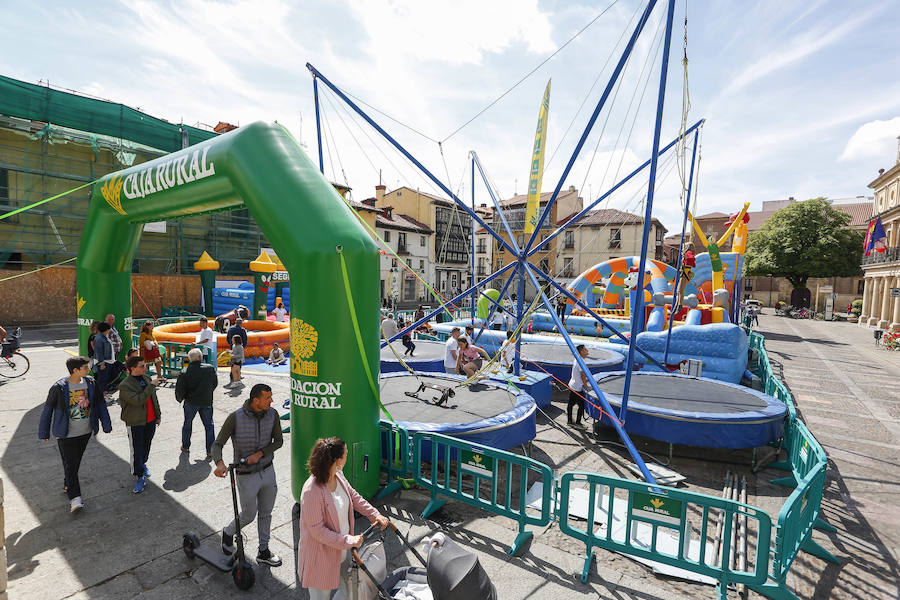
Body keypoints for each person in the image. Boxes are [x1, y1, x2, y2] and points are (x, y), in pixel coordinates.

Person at [298, 437, 390, 598]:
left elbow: (354, 497)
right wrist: (348, 541)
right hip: (321, 557)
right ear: (338, 460)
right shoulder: (311, 491)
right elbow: (317, 531)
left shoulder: (338, 475)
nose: (348, 456)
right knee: (321, 596)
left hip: (342, 551)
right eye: (346, 454)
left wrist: (375, 514)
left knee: (349, 591)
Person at [212, 383, 283, 567]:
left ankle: (263, 551)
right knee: (249, 515)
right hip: (245, 475)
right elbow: (217, 444)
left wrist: (260, 454)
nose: (272, 400)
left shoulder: (273, 414)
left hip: (268, 471)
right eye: (268, 397)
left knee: (266, 513)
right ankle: (228, 532)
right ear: (256, 400)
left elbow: (279, 441)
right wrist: (219, 463)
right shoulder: (235, 418)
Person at [39, 356, 112, 512]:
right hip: (66, 434)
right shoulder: (59, 387)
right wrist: (44, 432)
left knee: (73, 462)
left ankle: (67, 483)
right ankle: (75, 498)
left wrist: (106, 423)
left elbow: (100, 404)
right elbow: (47, 410)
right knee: (72, 465)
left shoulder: (91, 383)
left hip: (85, 432)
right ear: (75, 370)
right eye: (86, 368)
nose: (89, 370)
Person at [118, 355, 161, 493]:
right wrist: (151, 386)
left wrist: (158, 415)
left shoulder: (146, 378)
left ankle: (142, 465)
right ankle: (139, 475)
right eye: (142, 366)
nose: (145, 368)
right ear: (132, 369)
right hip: (135, 421)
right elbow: (138, 400)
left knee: (146, 445)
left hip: (150, 420)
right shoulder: (125, 385)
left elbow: (154, 399)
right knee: (137, 449)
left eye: (145, 365)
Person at [175, 348, 218, 460]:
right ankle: (210, 451)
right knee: (209, 426)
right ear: (200, 357)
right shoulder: (209, 369)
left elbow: (180, 389)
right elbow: (215, 383)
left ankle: (185, 446)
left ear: (189, 359)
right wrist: (208, 392)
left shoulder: (185, 371)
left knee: (187, 424)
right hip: (206, 400)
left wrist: (181, 399)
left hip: (191, 402)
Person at [567, 345, 590, 429]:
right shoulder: (580, 361)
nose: (587, 350)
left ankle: (570, 421)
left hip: (573, 384)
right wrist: (586, 386)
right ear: (581, 352)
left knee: (571, 404)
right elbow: (582, 374)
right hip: (577, 387)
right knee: (581, 405)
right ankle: (577, 423)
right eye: (585, 349)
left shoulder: (578, 359)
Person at [93, 322, 115, 400]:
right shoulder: (99, 338)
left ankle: (104, 394)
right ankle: (102, 396)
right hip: (104, 363)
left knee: (105, 379)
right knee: (102, 380)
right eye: (109, 329)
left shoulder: (103, 336)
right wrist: (102, 363)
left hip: (107, 362)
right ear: (105, 329)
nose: (109, 330)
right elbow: (99, 352)